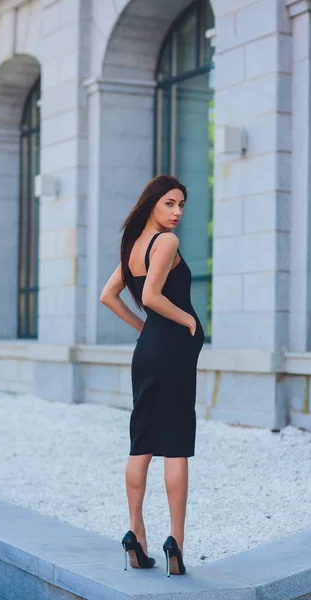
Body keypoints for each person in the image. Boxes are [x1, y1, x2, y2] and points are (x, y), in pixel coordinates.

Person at [100, 174, 205, 577]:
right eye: (170, 204)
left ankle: (135, 535)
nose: (177, 212)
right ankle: (175, 543)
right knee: (176, 442)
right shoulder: (167, 243)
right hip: (174, 350)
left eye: (181, 205)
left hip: (147, 353)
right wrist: (187, 322)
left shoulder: (133, 248)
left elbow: (108, 296)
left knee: (141, 440)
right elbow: (150, 297)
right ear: (152, 204)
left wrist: (143, 330)